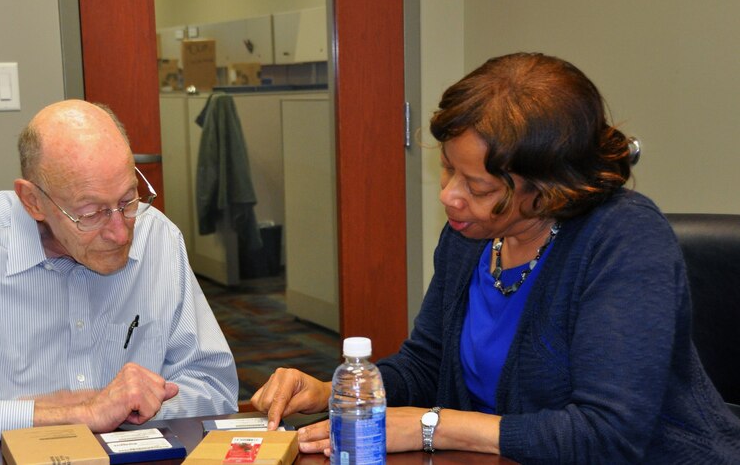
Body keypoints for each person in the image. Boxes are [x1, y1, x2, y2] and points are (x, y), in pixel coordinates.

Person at [250, 53, 740, 463]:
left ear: (551, 189)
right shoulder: (472, 234)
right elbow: (426, 365)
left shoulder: (624, 238)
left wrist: (432, 426)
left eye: (478, 186)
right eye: (446, 168)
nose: (449, 196)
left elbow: (606, 434)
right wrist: (349, 390)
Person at [0, 100, 238, 451]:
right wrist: (68, 413)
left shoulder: (158, 237)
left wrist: (139, 405)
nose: (121, 232)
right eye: (90, 213)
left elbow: (216, 388)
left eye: (128, 201)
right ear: (33, 201)